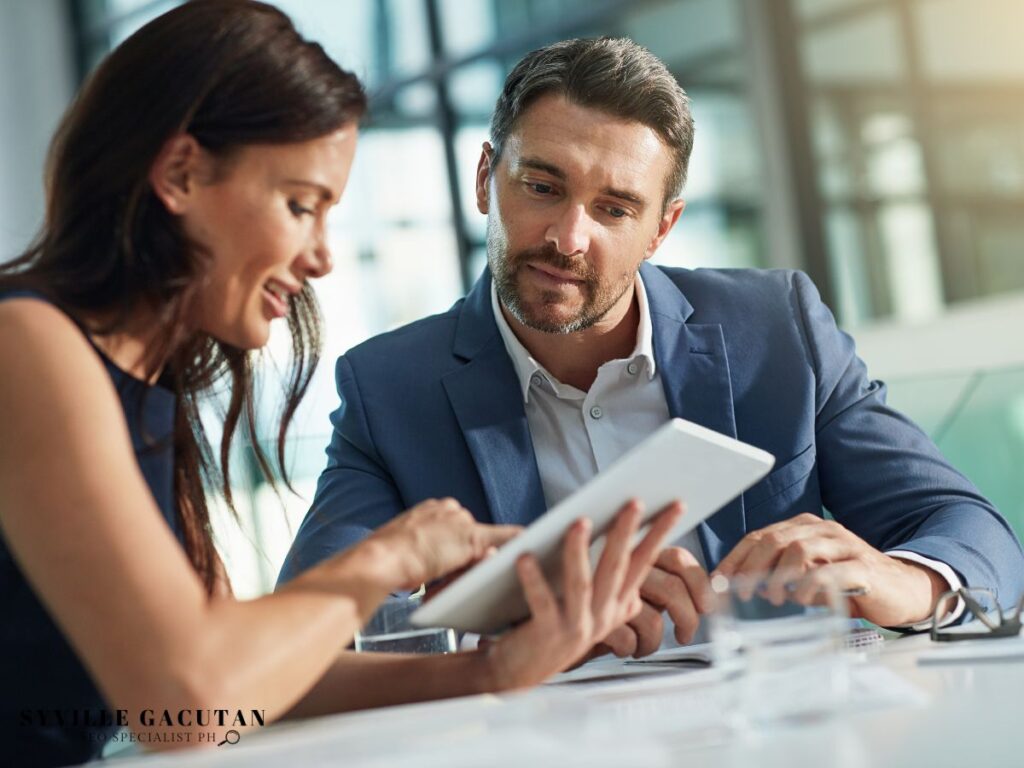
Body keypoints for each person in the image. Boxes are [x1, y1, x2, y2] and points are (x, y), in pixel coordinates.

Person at [0, 6, 683, 766]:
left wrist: (488, 670)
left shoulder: (137, 383)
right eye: (300, 206)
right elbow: (186, 704)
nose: (322, 258)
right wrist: (390, 558)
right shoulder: (25, 345)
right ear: (181, 173)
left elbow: (236, 686)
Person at [280, 37, 1024, 658]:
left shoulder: (777, 330)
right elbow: (299, 634)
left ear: (661, 229)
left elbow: (975, 534)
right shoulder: (390, 388)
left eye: (614, 208)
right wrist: (514, 625)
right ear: (485, 179)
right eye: (542, 186)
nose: (569, 238)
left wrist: (900, 582)